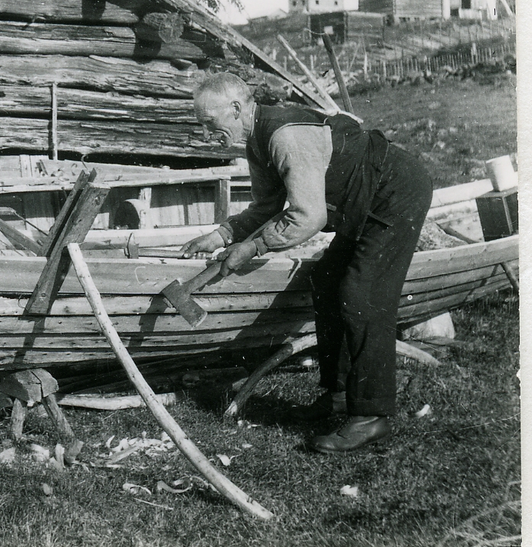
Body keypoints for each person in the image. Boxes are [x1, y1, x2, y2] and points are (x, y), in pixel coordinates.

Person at [181, 72, 432, 453]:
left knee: (363, 295)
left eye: (208, 123)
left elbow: (307, 216)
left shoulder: (284, 137)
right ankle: (337, 394)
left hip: (394, 194)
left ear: (235, 109)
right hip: (360, 201)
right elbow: (266, 207)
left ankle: (370, 417)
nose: (206, 134)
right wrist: (220, 236)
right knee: (327, 280)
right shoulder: (256, 139)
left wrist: (253, 247)